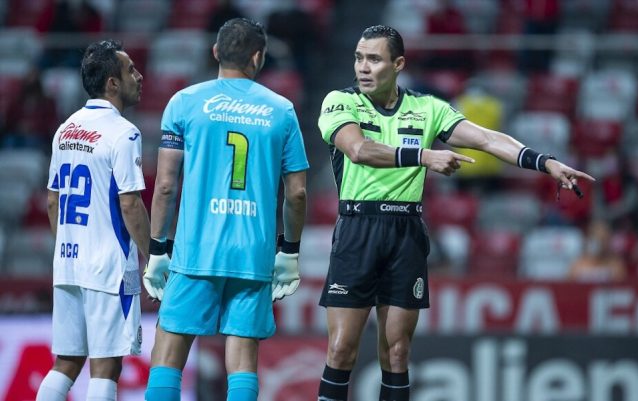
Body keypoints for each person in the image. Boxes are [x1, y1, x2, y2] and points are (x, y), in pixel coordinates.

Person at [316, 25, 594, 401]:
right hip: (357, 228)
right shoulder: (340, 100)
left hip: (405, 232)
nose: (363, 67)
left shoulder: (427, 108)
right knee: (341, 350)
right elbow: (359, 150)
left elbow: (487, 139)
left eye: (375, 59)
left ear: (398, 64)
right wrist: (425, 156)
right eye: (359, 58)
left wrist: (545, 162)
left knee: (397, 354)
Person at [143, 18, 308, 401]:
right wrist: (290, 251)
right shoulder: (281, 109)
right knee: (243, 355)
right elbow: (297, 193)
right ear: (258, 57)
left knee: (170, 349)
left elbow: (166, 184)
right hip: (253, 253)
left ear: (216, 52)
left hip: (197, 249)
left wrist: (156, 250)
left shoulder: (184, 102)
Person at [38, 39, 150, 401]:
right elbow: (130, 204)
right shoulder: (124, 132)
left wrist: (67, 249)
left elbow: (53, 202)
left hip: (68, 263)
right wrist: (153, 255)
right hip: (108, 266)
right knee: (106, 367)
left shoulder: (65, 129)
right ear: (112, 83)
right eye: (130, 69)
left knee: (67, 361)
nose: (139, 75)